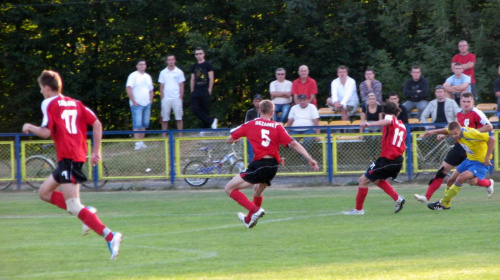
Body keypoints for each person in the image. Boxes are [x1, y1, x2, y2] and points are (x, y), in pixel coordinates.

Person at [22, 70, 122, 260]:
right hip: (72, 157)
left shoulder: (48, 103)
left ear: (47, 87)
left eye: (41, 88)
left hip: (69, 158)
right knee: (44, 193)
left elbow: (44, 133)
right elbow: (97, 124)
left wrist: (29, 126)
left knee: (74, 206)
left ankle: (110, 236)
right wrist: (96, 151)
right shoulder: (75, 103)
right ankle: (88, 211)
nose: (41, 92)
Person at [225, 99, 319, 229]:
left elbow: (230, 139)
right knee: (257, 190)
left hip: (260, 164)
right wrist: (310, 158)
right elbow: (293, 143)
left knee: (229, 188)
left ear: (258, 110)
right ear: (273, 112)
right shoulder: (278, 126)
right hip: (273, 166)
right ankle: (248, 220)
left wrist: (237, 138)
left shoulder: (251, 124)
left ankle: (255, 210)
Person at [414, 92, 493, 203]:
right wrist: (444, 133)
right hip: (460, 146)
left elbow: (489, 126)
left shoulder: (477, 113)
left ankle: (488, 183)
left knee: (472, 181)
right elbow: (455, 130)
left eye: (468, 101)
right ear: (460, 102)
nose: (466, 104)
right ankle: (427, 197)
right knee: (443, 170)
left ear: (473, 102)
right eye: (464, 101)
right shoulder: (459, 114)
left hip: (474, 149)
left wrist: (472, 134)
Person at [343, 102, 407, 215]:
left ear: (384, 112)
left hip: (388, 158)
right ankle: (397, 198)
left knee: (363, 180)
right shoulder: (401, 124)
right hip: (396, 159)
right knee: (377, 180)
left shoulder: (389, 118)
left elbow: (388, 120)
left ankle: (358, 210)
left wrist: (369, 124)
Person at [426, 122, 494, 210]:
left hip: (480, 162)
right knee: (450, 180)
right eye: (452, 134)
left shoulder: (470, 134)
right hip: (469, 160)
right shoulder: (457, 131)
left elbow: (492, 140)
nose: (454, 136)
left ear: (460, 130)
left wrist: (487, 158)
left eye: (455, 134)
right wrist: (433, 132)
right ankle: (446, 205)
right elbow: (445, 131)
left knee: (461, 178)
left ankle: (442, 202)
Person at [126, 58, 154, 150]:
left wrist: (151, 101)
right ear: (137, 66)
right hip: (137, 103)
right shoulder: (133, 75)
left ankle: (141, 142)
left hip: (146, 103)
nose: (142, 66)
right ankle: (137, 143)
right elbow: (128, 88)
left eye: (144, 64)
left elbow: (151, 90)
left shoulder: (148, 76)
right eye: (140, 64)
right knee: (137, 124)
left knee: (144, 124)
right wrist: (133, 101)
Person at [190, 47, 217, 129]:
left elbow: (211, 78)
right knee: (195, 109)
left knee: (205, 110)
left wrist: (210, 89)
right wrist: (192, 91)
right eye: (197, 54)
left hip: (205, 90)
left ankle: (205, 129)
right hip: (196, 91)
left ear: (204, 54)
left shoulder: (208, 65)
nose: (199, 55)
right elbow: (192, 79)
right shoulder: (194, 66)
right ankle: (212, 121)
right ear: (195, 55)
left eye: (200, 53)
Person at [158, 54, 185, 137]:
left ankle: (180, 136)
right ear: (167, 61)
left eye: (172, 59)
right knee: (165, 118)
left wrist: (180, 98)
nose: (171, 61)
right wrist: (163, 98)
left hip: (176, 98)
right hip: (166, 99)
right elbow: (161, 87)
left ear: (175, 60)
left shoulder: (179, 72)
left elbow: (181, 86)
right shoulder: (163, 73)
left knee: (179, 118)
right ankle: (164, 136)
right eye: (169, 60)